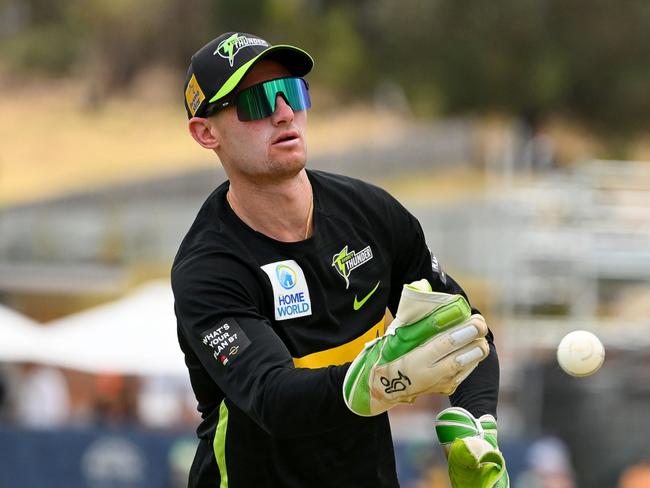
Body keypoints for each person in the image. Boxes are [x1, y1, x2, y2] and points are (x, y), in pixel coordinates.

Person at [172, 32, 506, 488]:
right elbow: (275, 399)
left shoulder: (371, 213)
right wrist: (378, 379)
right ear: (205, 132)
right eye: (255, 102)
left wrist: (474, 424)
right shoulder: (207, 268)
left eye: (292, 92)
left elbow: (466, 329)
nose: (284, 113)